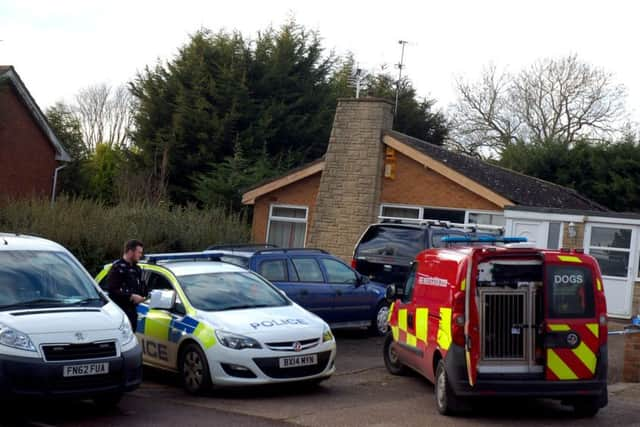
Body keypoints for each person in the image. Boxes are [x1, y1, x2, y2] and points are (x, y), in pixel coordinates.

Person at [107, 239, 147, 329]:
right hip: (120, 314)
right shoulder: (117, 268)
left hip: (133, 313)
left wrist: (144, 296)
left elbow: (142, 289)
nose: (140, 255)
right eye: (138, 252)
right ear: (130, 251)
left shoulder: (137, 269)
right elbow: (112, 291)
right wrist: (131, 296)